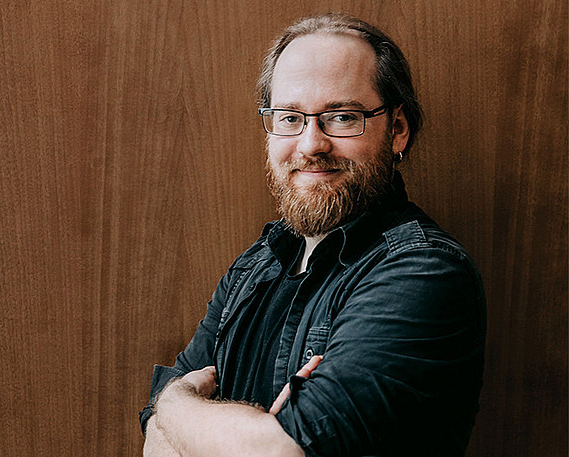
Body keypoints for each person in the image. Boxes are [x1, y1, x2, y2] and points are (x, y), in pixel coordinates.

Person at [140, 13, 486, 457]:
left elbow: (277, 453)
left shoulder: (425, 272)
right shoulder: (254, 265)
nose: (310, 144)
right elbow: (155, 447)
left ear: (397, 128)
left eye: (342, 116)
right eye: (289, 118)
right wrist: (218, 424)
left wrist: (171, 403)